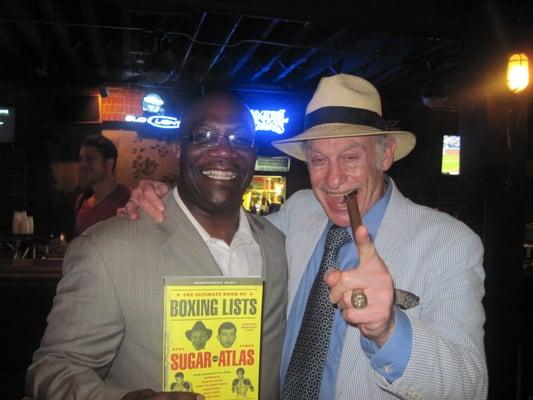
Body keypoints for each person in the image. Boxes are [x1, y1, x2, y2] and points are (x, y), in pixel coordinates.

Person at [122, 74, 488, 399]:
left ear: (385, 155)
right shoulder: (298, 213)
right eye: (318, 160)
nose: (332, 180)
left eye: (350, 157)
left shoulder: (450, 244)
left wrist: (388, 328)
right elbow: (227, 225)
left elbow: (470, 386)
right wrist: (169, 196)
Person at [25, 92, 288, 400]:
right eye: (205, 136)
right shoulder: (105, 250)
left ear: (254, 155)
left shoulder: (279, 244)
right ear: (178, 150)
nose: (224, 151)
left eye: (240, 139)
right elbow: (54, 368)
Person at [75, 135, 130, 235]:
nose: (82, 164)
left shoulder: (127, 200)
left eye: (90, 158)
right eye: (81, 158)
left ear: (109, 164)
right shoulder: (82, 200)